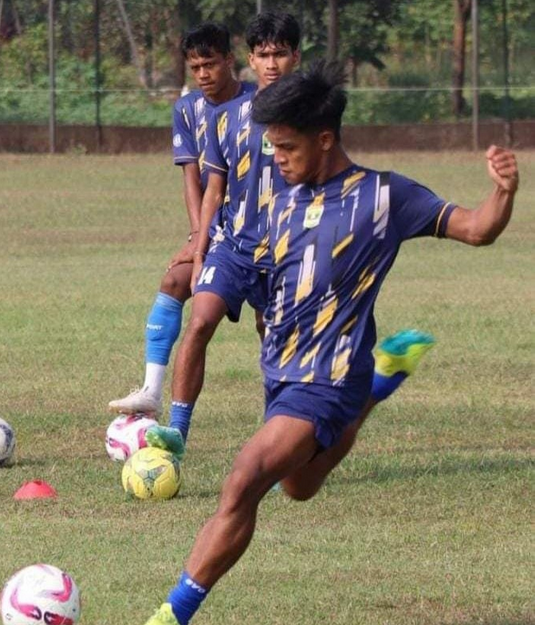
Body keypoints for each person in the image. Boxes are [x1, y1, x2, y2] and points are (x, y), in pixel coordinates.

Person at [141, 60, 518, 625]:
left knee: (244, 479)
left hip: (328, 378)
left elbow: (476, 228)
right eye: (272, 147)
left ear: (324, 139)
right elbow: (248, 261)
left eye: (287, 148)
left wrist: (503, 191)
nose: (278, 159)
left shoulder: (386, 197)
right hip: (283, 376)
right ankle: (379, 384)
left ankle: (171, 614)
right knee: (299, 486)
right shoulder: (279, 202)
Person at [147, 13, 435, 460]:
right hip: (235, 247)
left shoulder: (310, 121)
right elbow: (213, 190)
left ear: (296, 56)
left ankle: (280, 443)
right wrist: (200, 247)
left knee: (279, 349)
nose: (272, 63)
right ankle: (177, 433)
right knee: (201, 320)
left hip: (287, 256)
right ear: (250, 59)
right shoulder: (226, 117)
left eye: (280, 53)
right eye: (263, 55)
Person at [108, 23, 255, 417]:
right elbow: (194, 178)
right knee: (175, 280)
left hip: (255, 223)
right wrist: (197, 237)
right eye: (195, 67)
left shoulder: (258, 103)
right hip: (214, 223)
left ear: (230, 60)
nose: (203, 74)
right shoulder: (187, 110)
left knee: (268, 325)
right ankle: (152, 391)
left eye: (210, 64)